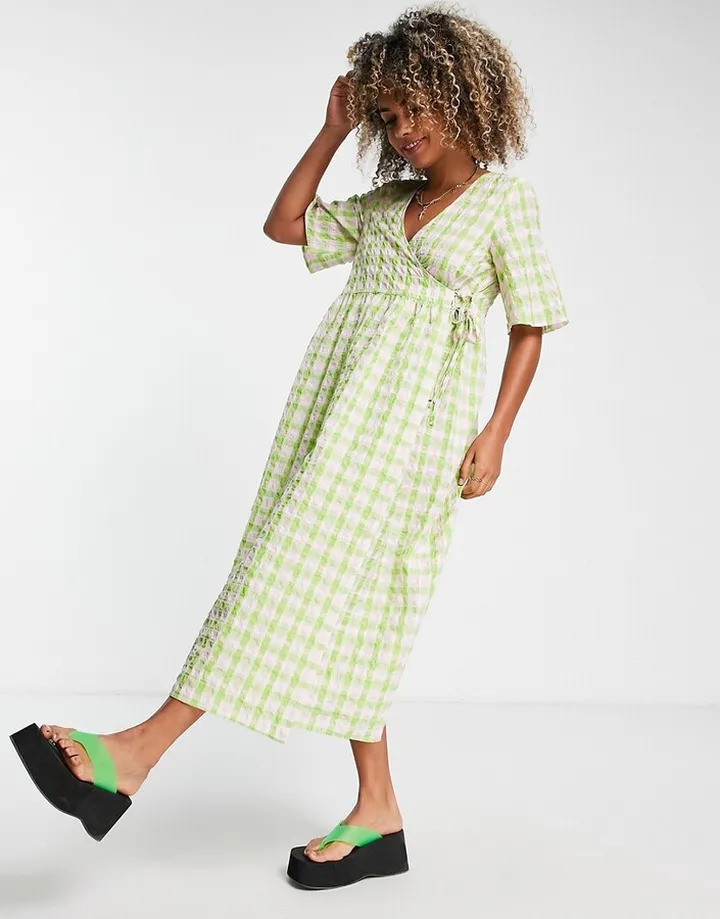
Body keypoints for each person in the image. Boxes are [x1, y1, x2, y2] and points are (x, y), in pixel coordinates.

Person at [10, 3, 569, 890]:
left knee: (286, 574)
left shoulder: (506, 202)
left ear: (465, 97)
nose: (404, 129)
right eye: (389, 115)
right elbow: (283, 224)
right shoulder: (387, 205)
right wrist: (331, 128)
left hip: (413, 432)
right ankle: (378, 812)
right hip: (331, 416)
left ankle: (133, 754)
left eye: (417, 107)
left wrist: (495, 433)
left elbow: (532, 322)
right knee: (353, 609)